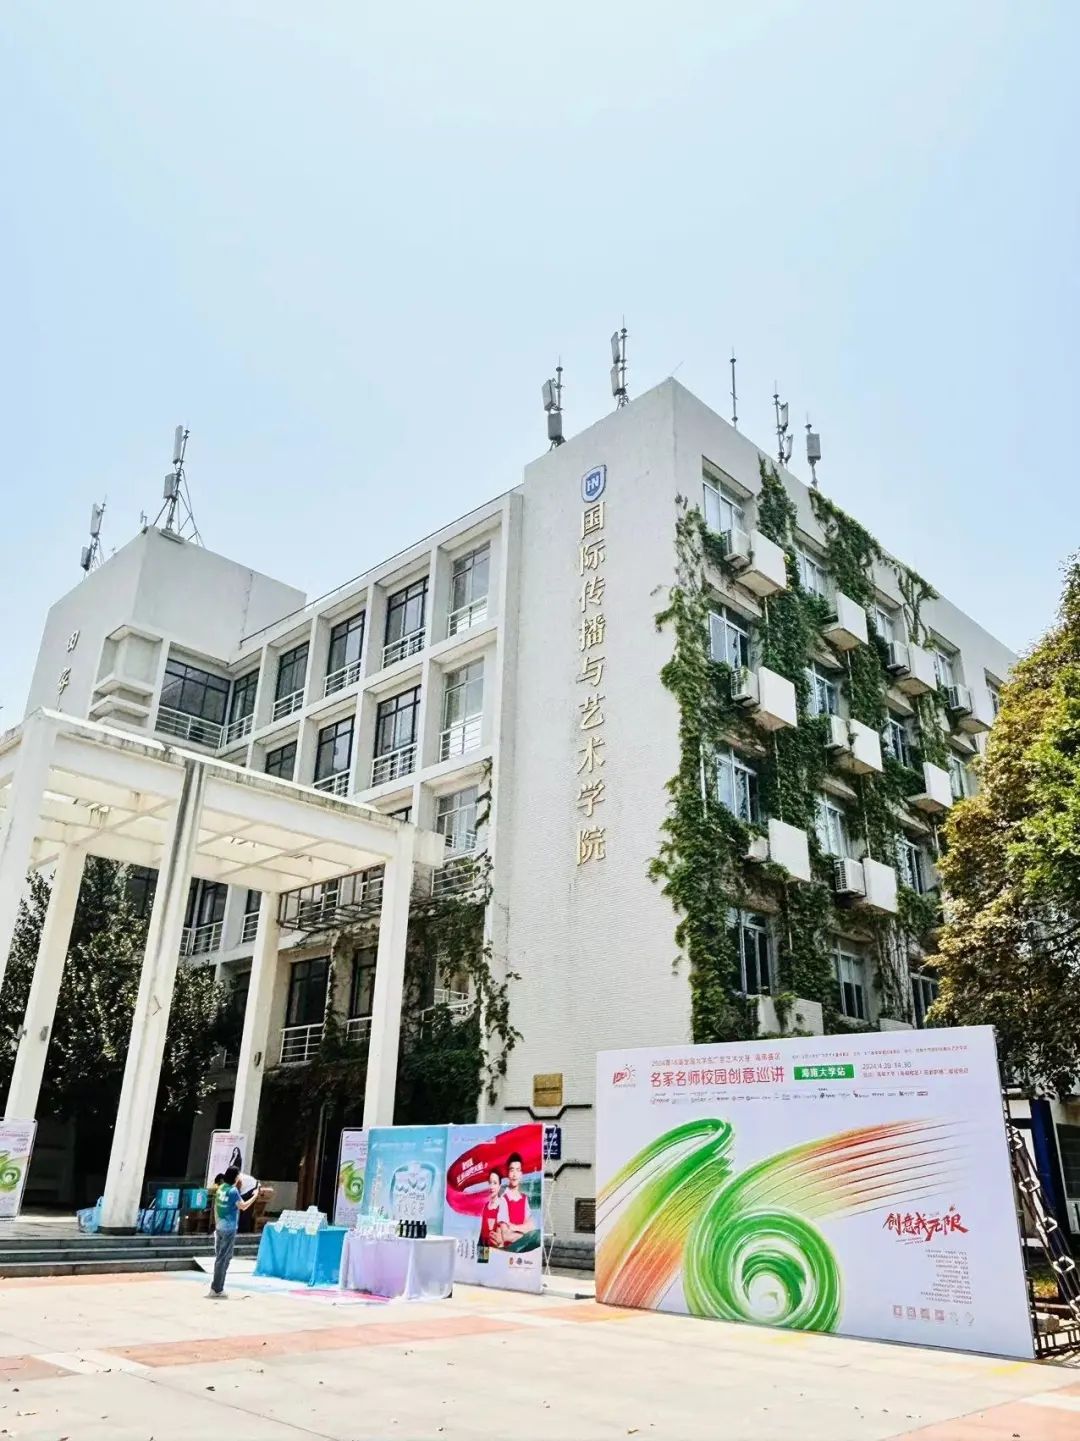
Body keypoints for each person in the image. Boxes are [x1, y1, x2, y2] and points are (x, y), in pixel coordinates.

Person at [208, 1165, 254, 1298]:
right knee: (223, 1258)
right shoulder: (233, 1191)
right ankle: (216, 1288)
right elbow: (243, 1206)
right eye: (238, 1175)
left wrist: (216, 1223)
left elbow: (216, 1207)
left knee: (225, 1257)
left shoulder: (221, 1188)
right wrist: (255, 1196)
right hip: (229, 1228)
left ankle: (217, 1286)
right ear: (235, 1176)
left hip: (220, 1226)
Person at [500, 1152, 540, 1252]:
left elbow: (531, 1227)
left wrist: (514, 1227)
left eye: (518, 1170)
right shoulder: (503, 1199)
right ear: (508, 1173)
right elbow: (506, 1235)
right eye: (512, 1170)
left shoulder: (524, 1199)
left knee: (537, 1235)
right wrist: (524, 1232)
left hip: (524, 1248)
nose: (514, 1174)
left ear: (521, 1174)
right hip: (510, 1249)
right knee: (537, 1236)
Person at [478, 1168, 508, 1254]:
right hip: (483, 1248)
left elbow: (503, 1237)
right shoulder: (486, 1206)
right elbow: (482, 1233)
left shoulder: (502, 1206)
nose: (492, 1186)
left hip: (496, 1251)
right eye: (490, 1183)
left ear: (499, 1186)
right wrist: (480, 1255)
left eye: (495, 1183)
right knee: (482, 1262)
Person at [235, 1168, 261, 1235]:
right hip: (250, 1187)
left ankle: (244, 1230)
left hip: (252, 1188)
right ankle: (242, 1229)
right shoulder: (234, 1176)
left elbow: (238, 1185)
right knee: (242, 1209)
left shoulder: (236, 1178)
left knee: (246, 1210)